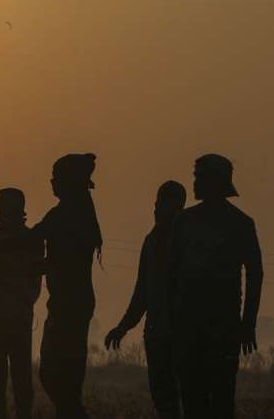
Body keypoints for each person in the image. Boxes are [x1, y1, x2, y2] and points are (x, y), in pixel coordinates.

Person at [168, 154, 263, 419]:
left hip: (223, 328)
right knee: (193, 400)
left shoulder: (240, 224)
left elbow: (256, 274)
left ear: (216, 181)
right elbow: (171, 276)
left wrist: (248, 324)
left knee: (221, 401)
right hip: (190, 327)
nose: (195, 182)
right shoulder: (183, 222)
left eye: (200, 176)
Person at [104, 181, 187, 419]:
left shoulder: (188, 242)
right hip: (157, 333)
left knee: (185, 398)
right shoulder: (151, 242)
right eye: (159, 203)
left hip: (182, 334)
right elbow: (142, 293)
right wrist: (122, 327)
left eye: (166, 205)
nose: (158, 209)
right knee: (163, 398)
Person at [33, 153, 102, 419]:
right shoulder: (79, 210)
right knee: (63, 380)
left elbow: (39, 241)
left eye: (56, 178)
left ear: (68, 182)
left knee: (54, 376)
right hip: (72, 303)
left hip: (69, 304)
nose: (52, 182)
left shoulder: (67, 213)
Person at [0, 188, 42, 419]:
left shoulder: (29, 240)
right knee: (0, 381)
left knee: (19, 380)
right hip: (1, 318)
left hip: (13, 318)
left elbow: (33, 285)